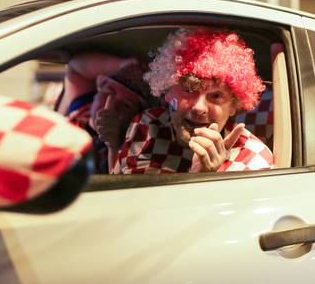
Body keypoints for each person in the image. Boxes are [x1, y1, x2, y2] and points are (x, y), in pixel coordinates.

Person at [112, 28, 274, 174]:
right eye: (189, 90)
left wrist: (204, 176)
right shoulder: (147, 124)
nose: (199, 107)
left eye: (216, 96)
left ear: (234, 106)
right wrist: (112, 144)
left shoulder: (252, 161)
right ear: (168, 91)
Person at [55, 52, 152, 172]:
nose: (111, 106)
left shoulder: (133, 150)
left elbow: (118, 184)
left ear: (135, 118)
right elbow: (75, 67)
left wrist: (113, 146)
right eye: (108, 93)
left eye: (126, 105)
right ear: (96, 92)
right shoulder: (83, 109)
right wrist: (122, 64)